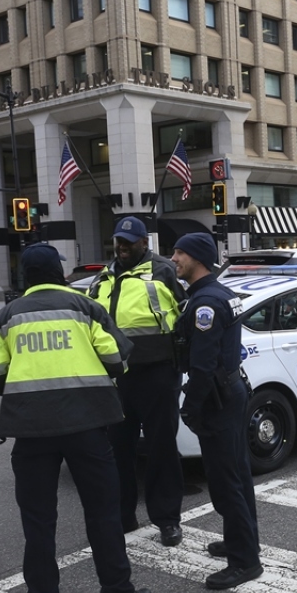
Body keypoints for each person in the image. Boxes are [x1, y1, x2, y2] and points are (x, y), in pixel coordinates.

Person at [0, 243, 151, 593]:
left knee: (39, 523)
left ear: (25, 277)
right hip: (88, 428)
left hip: (31, 432)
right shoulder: (87, 308)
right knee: (104, 515)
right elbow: (117, 360)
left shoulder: (5, 317)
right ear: (61, 272)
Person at [171, 233, 263, 590]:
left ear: (198, 258)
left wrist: (190, 409)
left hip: (217, 399)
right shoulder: (216, 293)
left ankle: (244, 562)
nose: (174, 257)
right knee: (237, 475)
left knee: (226, 482)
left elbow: (203, 365)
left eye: (180, 252)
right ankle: (242, 541)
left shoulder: (206, 302)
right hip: (231, 392)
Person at [89, 216, 186, 546]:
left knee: (161, 449)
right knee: (118, 451)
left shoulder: (164, 271)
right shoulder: (103, 278)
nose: (122, 246)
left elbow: (187, 316)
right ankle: (123, 516)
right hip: (117, 379)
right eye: (119, 241)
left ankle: (167, 520)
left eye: (129, 241)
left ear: (145, 243)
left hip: (158, 374)